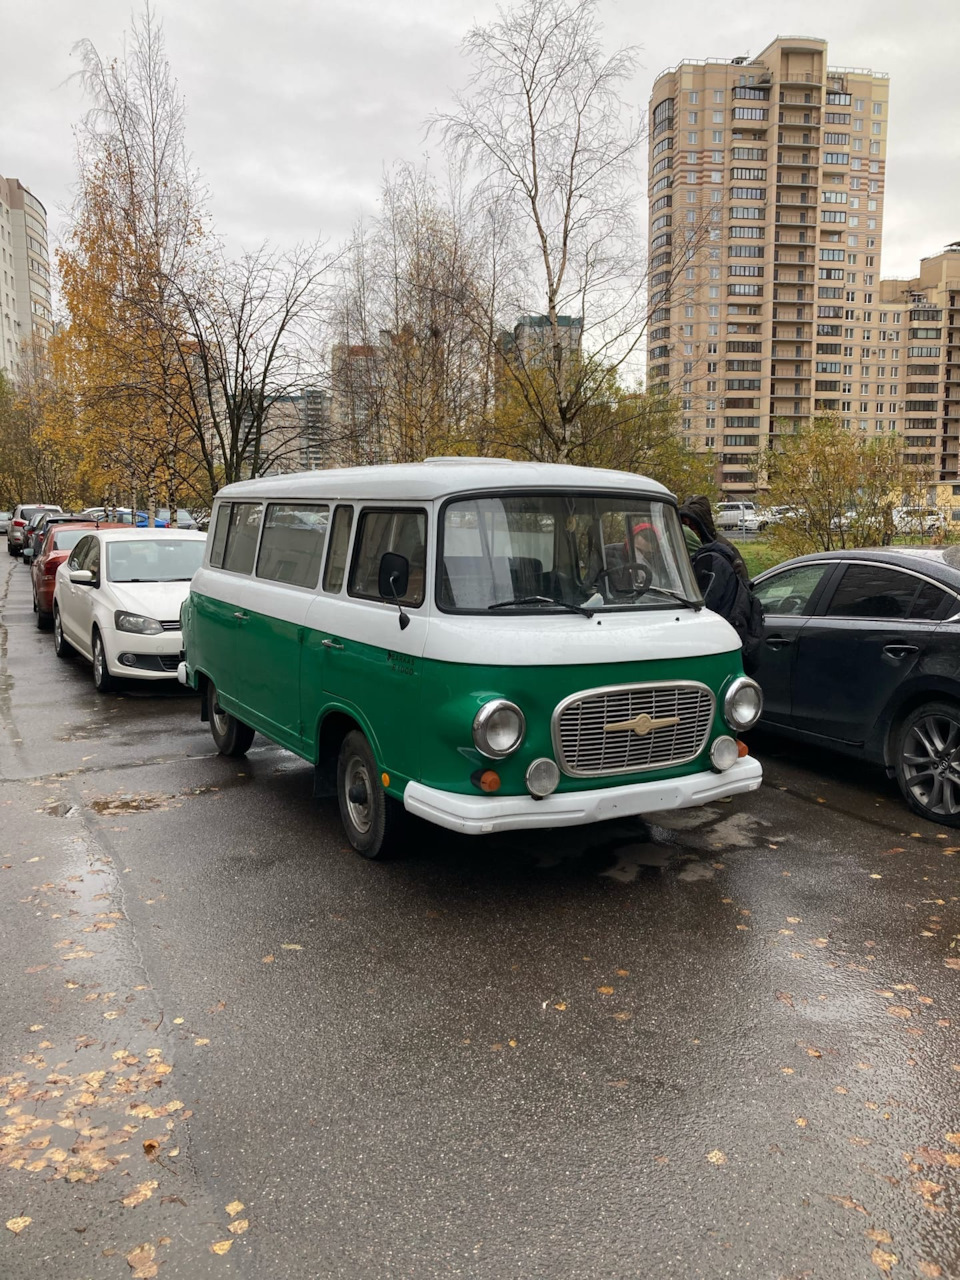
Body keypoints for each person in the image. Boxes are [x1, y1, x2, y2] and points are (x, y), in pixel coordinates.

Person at [679, 495, 764, 675]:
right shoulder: (686, 549)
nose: (688, 529)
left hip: (723, 629)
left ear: (701, 524)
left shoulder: (720, 554)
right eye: (684, 524)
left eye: (692, 524)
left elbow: (738, 591)